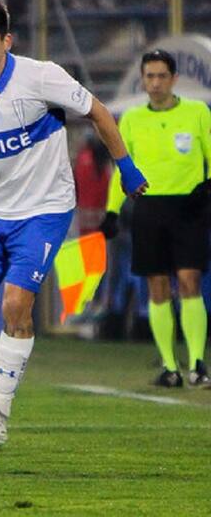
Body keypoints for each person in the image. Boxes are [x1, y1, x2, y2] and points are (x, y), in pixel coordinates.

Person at [0, 0, 147, 445]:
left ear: (7, 41)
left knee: (14, 306)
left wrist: (126, 167)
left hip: (44, 209)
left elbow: (98, 111)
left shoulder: (41, 77)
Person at [100, 49, 211, 388]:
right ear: (143, 80)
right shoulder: (132, 118)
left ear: (174, 79)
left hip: (189, 208)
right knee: (157, 287)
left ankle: (197, 363)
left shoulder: (197, 112)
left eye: (162, 76)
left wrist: (207, 187)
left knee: (190, 281)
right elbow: (124, 170)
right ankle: (169, 367)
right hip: (148, 209)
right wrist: (112, 211)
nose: (156, 82)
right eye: (150, 76)